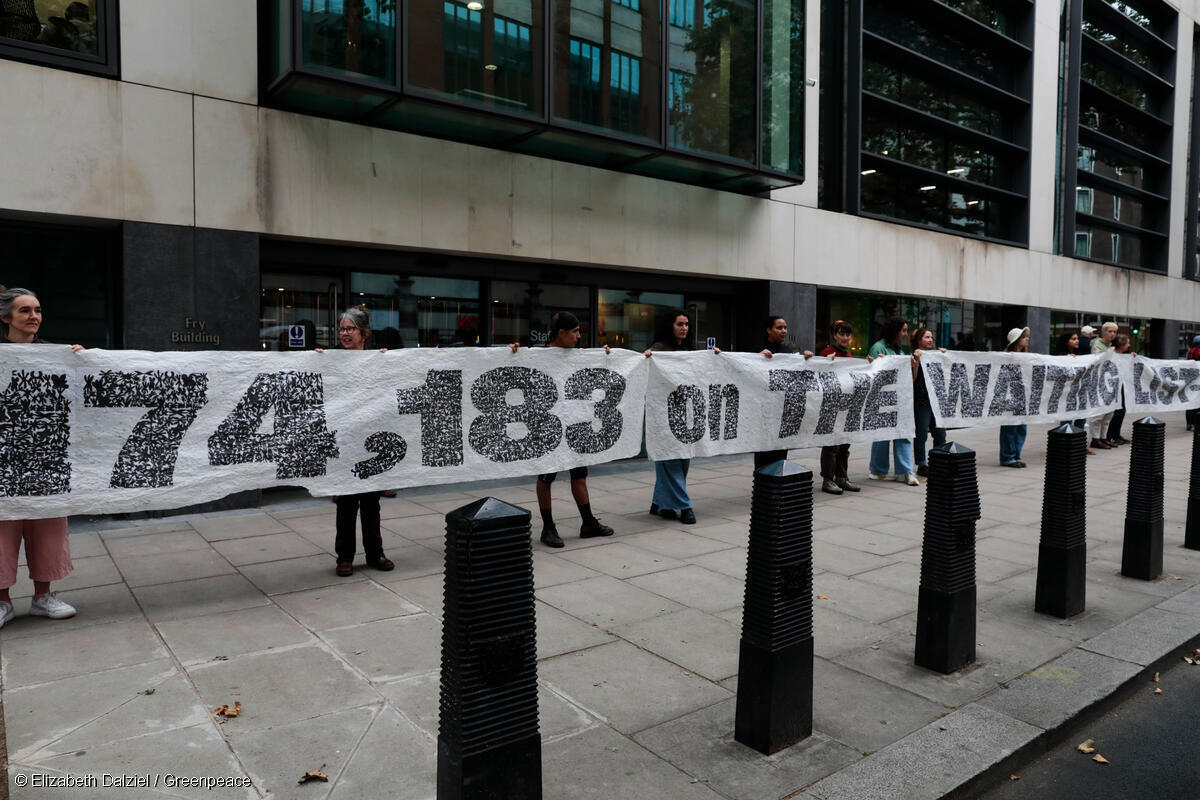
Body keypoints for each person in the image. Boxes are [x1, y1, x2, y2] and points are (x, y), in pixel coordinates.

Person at [0, 288, 84, 627]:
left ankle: (42, 596)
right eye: (24, 311)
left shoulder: (55, 355)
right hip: (4, 459)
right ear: (6, 318)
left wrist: (82, 361)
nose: (33, 316)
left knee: (47, 527)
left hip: (47, 456)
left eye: (37, 310)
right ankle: (2, 601)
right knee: (3, 529)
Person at [512, 312, 614, 548]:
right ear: (561, 333)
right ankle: (548, 527)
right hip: (546, 427)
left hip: (573, 425)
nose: (579, 337)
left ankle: (588, 522)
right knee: (546, 477)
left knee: (579, 474)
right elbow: (512, 366)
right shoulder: (537, 355)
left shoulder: (578, 356)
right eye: (575, 332)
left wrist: (606, 356)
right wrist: (510, 351)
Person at [319, 307, 394, 577]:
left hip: (372, 441)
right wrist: (314, 362)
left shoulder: (378, 360)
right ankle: (345, 557)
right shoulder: (330, 360)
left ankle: (376, 553)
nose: (344, 333)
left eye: (350, 328)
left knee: (371, 503)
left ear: (364, 333)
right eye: (341, 329)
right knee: (347, 504)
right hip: (345, 442)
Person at [644, 310, 698, 523]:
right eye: (680, 324)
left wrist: (715, 357)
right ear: (670, 326)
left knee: (681, 460)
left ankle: (661, 503)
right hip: (663, 415)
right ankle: (685, 507)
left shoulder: (690, 350)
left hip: (685, 415)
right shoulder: (658, 349)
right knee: (670, 459)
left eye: (686, 324)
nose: (684, 328)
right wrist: (646, 357)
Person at [752, 315, 813, 470]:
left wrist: (807, 360)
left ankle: (778, 480)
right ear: (768, 330)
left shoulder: (788, 351)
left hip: (782, 410)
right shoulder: (757, 349)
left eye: (785, 327)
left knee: (781, 450)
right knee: (764, 450)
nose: (784, 331)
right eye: (779, 328)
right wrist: (757, 358)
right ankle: (761, 482)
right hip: (764, 411)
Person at [867, 316, 918, 485]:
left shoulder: (900, 351)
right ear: (894, 330)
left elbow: (909, 378)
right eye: (903, 330)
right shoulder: (878, 347)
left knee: (902, 433)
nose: (905, 334)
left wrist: (912, 365)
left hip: (898, 400)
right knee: (882, 436)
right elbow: (871, 373)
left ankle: (906, 470)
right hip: (882, 400)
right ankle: (878, 470)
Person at [816, 320, 861, 495]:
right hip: (831, 406)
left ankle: (842, 477)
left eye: (847, 334)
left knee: (844, 444)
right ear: (834, 336)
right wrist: (825, 363)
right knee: (831, 445)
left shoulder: (848, 355)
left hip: (846, 405)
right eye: (841, 334)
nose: (845, 337)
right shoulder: (827, 353)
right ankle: (828, 479)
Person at [911, 326, 947, 477]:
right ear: (919, 340)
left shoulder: (936, 355)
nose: (930, 340)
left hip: (936, 402)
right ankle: (921, 464)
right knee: (921, 435)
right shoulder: (913, 356)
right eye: (926, 337)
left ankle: (938, 462)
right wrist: (917, 361)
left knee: (940, 434)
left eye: (931, 337)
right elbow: (913, 378)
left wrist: (946, 357)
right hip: (922, 401)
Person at [999, 327, 1030, 468]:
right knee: (1010, 428)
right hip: (1009, 397)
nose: (1026, 339)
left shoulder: (1025, 356)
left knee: (1021, 427)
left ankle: (1016, 455)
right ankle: (1008, 456)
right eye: (1024, 337)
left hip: (1022, 397)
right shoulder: (1006, 356)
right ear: (1017, 340)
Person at [1088, 322, 1118, 451]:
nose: (1112, 334)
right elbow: (1098, 359)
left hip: (1110, 382)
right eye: (1110, 331)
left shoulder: (1111, 345)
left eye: (1114, 332)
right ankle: (1095, 439)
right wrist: (1110, 352)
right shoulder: (1097, 344)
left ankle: (1103, 437)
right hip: (1098, 383)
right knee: (1098, 413)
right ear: (1103, 332)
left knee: (1108, 413)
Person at [1106, 333, 1132, 445]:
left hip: (1120, 385)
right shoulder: (1110, 354)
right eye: (1128, 343)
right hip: (1112, 386)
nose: (1129, 345)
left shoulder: (1124, 356)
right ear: (1122, 345)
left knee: (1121, 410)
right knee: (1116, 412)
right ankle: (1110, 436)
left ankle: (1115, 435)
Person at [1188, 335, 1200, 432]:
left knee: (1190, 403)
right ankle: (1196, 424)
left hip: (1191, 379)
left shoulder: (1190, 351)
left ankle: (1190, 424)